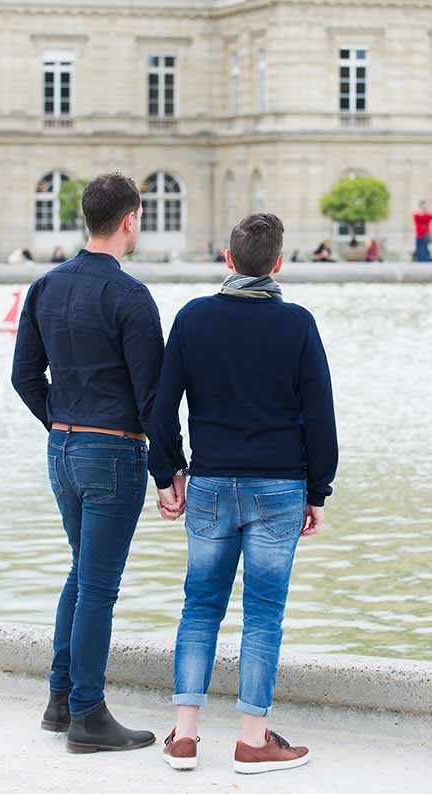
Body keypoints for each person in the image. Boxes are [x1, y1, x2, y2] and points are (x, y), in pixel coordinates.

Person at [148, 213, 337, 775]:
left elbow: (162, 410)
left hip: (208, 483)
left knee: (199, 607)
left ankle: (184, 737)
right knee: (263, 615)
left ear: (227, 260)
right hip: (280, 486)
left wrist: (168, 475)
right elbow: (321, 417)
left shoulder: (193, 318)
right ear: (279, 263)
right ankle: (253, 740)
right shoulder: (298, 324)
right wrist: (317, 489)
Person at [11, 172, 186, 754]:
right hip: (111, 451)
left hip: (61, 448)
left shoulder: (44, 287)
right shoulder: (131, 296)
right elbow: (152, 398)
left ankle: (59, 700)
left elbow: (23, 377)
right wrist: (171, 472)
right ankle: (88, 714)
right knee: (99, 587)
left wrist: (61, 424)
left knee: (81, 573)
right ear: (130, 219)